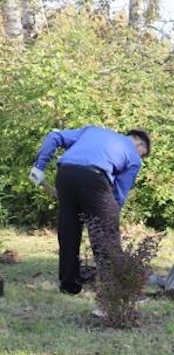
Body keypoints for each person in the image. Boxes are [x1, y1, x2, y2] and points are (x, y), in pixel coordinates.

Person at [30, 126, 151, 295]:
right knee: (106, 234)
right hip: (95, 178)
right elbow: (118, 195)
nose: (140, 158)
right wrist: (110, 215)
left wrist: (39, 166)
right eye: (142, 154)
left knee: (69, 230)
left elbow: (54, 136)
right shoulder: (134, 157)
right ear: (139, 144)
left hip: (65, 173)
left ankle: (69, 285)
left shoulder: (92, 131)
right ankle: (113, 286)